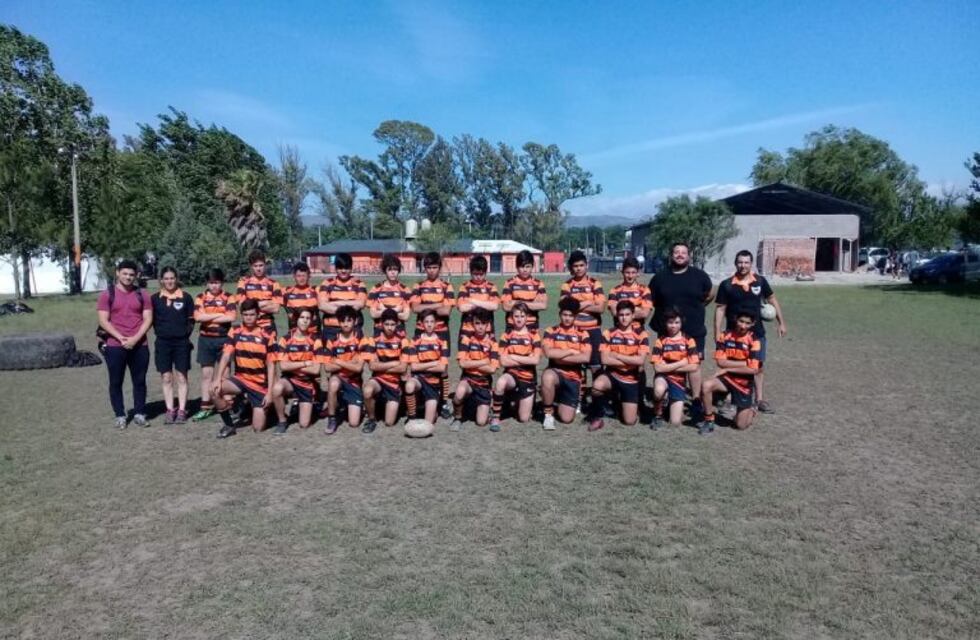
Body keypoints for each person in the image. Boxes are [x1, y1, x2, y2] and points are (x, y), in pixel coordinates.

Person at [713, 250, 787, 413]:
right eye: (740, 262)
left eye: (746, 262)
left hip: (756, 333)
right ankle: (729, 398)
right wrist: (717, 332)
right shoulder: (727, 285)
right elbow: (720, 309)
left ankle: (759, 400)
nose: (743, 265)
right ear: (735, 263)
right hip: (733, 334)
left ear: (751, 264)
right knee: (733, 366)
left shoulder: (760, 282)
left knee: (758, 366)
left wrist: (781, 322)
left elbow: (772, 300)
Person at [647, 242, 713, 421]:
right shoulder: (660, 277)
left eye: (684, 252)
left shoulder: (699, 276)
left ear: (689, 256)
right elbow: (651, 300)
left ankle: (697, 400)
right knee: (664, 362)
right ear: (671, 255)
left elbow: (709, 294)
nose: (680, 255)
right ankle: (663, 394)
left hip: (694, 329)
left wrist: (697, 308)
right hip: (667, 330)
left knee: (694, 365)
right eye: (676, 252)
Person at [97, 259, 153, 429]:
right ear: (117, 273)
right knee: (115, 382)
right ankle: (120, 415)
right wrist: (120, 338)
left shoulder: (142, 294)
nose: (128, 277)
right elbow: (103, 320)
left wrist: (136, 338)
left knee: (140, 381)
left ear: (136, 276)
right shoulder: (107, 294)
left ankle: (139, 413)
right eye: (125, 274)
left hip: (139, 345)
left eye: (131, 274)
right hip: (115, 345)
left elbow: (148, 318)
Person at [211, 299, 278, 438]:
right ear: (242, 315)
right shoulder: (235, 331)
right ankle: (229, 425)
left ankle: (266, 409)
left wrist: (270, 392)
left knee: (258, 429)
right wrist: (217, 379)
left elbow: (272, 366)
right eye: (246, 314)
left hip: (260, 385)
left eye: (252, 314)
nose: (249, 318)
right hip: (241, 379)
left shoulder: (267, 335)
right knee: (213, 390)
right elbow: (225, 356)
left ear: (258, 315)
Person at [587, 300, 650, 431]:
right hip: (613, 375)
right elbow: (605, 360)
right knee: (597, 385)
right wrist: (629, 360)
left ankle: (625, 405)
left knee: (629, 422)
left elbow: (640, 361)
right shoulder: (608, 333)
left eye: (627, 314)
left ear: (633, 316)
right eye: (621, 315)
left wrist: (617, 355)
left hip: (630, 379)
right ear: (617, 316)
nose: (624, 318)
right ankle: (598, 416)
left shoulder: (642, 335)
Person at [698, 309, 762, 435]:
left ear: (752, 324)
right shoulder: (725, 335)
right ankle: (709, 420)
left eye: (747, 323)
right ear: (735, 320)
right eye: (741, 321)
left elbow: (753, 369)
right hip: (727, 379)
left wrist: (727, 368)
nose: (743, 326)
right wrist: (745, 363)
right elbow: (720, 362)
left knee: (740, 425)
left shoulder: (754, 341)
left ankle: (752, 409)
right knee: (706, 385)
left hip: (743, 383)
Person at [410, 251, 455, 418]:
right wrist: (438, 304)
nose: (431, 270)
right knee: (419, 368)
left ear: (440, 268)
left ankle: (443, 402)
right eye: (428, 267)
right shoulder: (418, 286)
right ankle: (421, 399)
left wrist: (426, 305)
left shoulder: (447, 286)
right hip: (420, 333)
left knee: (442, 369)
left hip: (442, 333)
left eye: (434, 267)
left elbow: (447, 311)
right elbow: (415, 308)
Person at [151, 267, 195, 424]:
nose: (169, 281)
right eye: (166, 278)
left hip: (181, 343)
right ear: (161, 280)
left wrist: (183, 334)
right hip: (163, 343)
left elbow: (191, 320)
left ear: (177, 279)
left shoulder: (186, 297)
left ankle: (182, 410)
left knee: (182, 377)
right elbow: (151, 320)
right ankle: (170, 409)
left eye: (172, 278)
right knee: (166, 377)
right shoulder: (155, 299)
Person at [540, 297, 592, 430]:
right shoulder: (551, 331)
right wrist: (572, 351)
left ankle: (557, 397)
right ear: (559, 314)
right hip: (556, 371)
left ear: (575, 316)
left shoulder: (583, 333)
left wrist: (560, 355)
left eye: (570, 315)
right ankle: (548, 415)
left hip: (573, 376)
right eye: (564, 315)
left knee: (566, 419)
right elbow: (549, 354)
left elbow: (586, 357)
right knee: (547, 376)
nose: (567, 318)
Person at [559, 250, 605, 400]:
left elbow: (600, 308)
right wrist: (588, 302)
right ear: (571, 268)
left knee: (596, 365)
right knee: (578, 365)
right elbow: (565, 306)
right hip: (575, 331)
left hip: (593, 330)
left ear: (586, 265)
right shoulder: (567, 285)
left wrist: (577, 304)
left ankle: (599, 399)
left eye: (581, 265)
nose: (578, 268)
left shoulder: (595, 283)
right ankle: (580, 398)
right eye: (575, 266)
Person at [191, 268, 236, 422]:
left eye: (217, 283)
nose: (214, 286)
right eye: (211, 283)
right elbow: (197, 317)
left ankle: (229, 405)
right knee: (206, 375)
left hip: (224, 339)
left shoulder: (229, 297)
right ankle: (206, 407)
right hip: (205, 340)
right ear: (207, 283)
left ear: (221, 283)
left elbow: (232, 316)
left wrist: (208, 317)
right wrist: (219, 315)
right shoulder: (200, 297)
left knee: (225, 375)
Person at [270, 308, 323, 433]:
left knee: (304, 425)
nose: (305, 321)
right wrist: (305, 363)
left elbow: (315, 370)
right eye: (302, 317)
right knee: (277, 388)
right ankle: (282, 420)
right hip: (290, 380)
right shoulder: (285, 339)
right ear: (296, 319)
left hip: (307, 383)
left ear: (311, 321)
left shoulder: (316, 340)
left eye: (308, 318)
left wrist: (292, 364)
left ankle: (311, 404)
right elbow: (283, 366)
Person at [491, 302, 542, 431]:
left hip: (528, 377)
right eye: (516, 316)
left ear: (527, 318)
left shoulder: (534, 335)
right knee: (501, 382)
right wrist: (526, 359)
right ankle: (495, 417)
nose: (519, 319)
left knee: (524, 419)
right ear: (511, 318)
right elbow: (503, 362)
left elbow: (535, 360)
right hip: (512, 375)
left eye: (522, 316)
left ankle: (517, 399)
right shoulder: (506, 335)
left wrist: (513, 356)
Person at [361, 309, 413, 433]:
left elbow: (403, 368)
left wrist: (382, 365)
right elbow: (372, 367)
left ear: (397, 324)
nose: (390, 327)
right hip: (378, 379)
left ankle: (397, 399)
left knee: (389, 423)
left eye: (392, 324)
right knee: (367, 390)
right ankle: (372, 419)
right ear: (381, 324)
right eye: (387, 324)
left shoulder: (404, 341)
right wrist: (394, 363)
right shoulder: (374, 340)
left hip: (394, 383)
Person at [650, 307, 700, 429]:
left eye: (677, 322)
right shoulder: (661, 341)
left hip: (678, 381)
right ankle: (658, 415)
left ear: (682, 323)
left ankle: (667, 403)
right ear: (665, 323)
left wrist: (667, 366)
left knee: (675, 422)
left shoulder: (689, 340)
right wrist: (682, 362)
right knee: (658, 390)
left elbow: (693, 366)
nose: (673, 326)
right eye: (670, 323)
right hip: (663, 377)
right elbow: (658, 369)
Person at [321, 305, 367, 434]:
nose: (346, 324)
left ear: (355, 321)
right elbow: (327, 367)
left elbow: (358, 368)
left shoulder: (361, 339)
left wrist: (339, 361)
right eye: (342, 321)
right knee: (333, 382)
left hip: (354, 380)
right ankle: (332, 418)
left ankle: (347, 403)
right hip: (339, 378)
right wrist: (349, 363)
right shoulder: (332, 340)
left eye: (349, 320)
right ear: (339, 322)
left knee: (354, 423)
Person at [451, 308, 499, 431]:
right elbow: (462, 364)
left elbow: (492, 369)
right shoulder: (466, 340)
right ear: (473, 324)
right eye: (477, 323)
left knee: (481, 422)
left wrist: (471, 363)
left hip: (484, 383)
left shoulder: (493, 343)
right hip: (469, 379)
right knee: (460, 391)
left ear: (488, 325)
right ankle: (457, 418)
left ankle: (486, 407)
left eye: (483, 323)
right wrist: (483, 361)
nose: (480, 327)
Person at [405, 309, 449, 425]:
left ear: (436, 323)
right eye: (426, 322)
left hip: (433, 383)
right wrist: (434, 363)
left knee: (429, 422)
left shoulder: (442, 342)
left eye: (432, 322)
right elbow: (414, 367)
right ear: (421, 324)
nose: (429, 324)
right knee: (409, 385)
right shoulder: (415, 341)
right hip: (419, 379)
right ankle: (412, 416)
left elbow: (441, 369)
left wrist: (422, 366)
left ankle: (435, 406)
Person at [317, 252, 367, 343]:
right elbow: (322, 306)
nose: (343, 271)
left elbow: (360, 304)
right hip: (331, 331)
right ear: (336, 268)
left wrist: (334, 303)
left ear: (351, 268)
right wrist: (349, 305)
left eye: (346, 268)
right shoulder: (327, 283)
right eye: (340, 268)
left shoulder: (359, 284)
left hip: (353, 330)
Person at [456, 255, 499, 347]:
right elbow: (462, 307)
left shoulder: (491, 286)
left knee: (488, 358)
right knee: (465, 359)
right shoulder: (464, 286)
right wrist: (485, 303)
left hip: (487, 331)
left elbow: (494, 306)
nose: (478, 277)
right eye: (475, 274)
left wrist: (471, 300)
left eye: (481, 274)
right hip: (467, 330)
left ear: (485, 272)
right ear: (471, 272)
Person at [236, 250, 283, 334]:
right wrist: (267, 302)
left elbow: (276, 308)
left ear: (265, 265)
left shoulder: (274, 284)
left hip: (268, 327)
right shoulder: (243, 282)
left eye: (261, 265)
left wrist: (251, 304)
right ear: (251, 266)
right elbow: (242, 305)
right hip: (249, 327)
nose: (258, 269)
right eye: (255, 266)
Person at [501, 250, 548, 334]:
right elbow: (506, 306)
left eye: (528, 266)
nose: (525, 270)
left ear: (532, 266)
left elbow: (543, 305)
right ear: (517, 267)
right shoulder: (509, 283)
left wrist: (516, 302)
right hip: (512, 326)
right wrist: (532, 303)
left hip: (532, 326)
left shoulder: (538, 284)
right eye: (522, 267)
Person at [368, 253, 411, 338]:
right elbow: (373, 314)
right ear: (385, 271)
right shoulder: (376, 289)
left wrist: (383, 310)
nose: (393, 272)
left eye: (395, 269)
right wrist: (396, 310)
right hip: (380, 331)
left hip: (399, 330)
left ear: (398, 271)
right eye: (390, 269)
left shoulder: (405, 290)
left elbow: (406, 316)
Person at [607, 256, 652, 332]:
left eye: (633, 272)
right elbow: (615, 313)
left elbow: (644, 314)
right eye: (627, 272)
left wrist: (622, 310)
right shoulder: (614, 291)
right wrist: (637, 308)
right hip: (619, 332)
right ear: (622, 272)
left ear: (638, 273)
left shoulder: (644, 290)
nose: (630, 276)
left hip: (638, 332)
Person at [282, 262, 320, 332]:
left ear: (309, 276)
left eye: (304, 276)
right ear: (294, 276)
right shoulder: (286, 292)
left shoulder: (316, 291)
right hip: (294, 335)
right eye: (298, 276)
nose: (301, 278)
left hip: (314, 335)